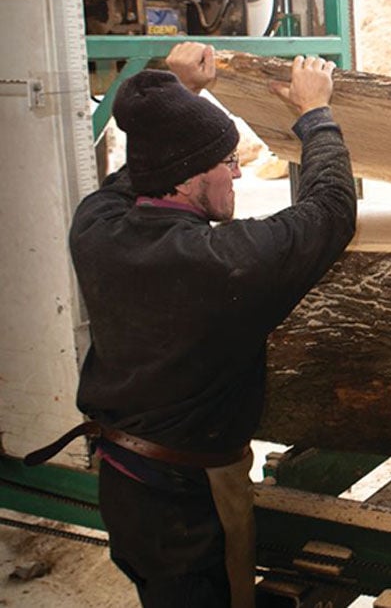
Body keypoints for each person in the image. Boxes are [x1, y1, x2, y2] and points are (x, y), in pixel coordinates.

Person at [26, 42, 357, 607]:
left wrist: (180, 93)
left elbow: (137, 172)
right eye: (226, 163)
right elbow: (330, 211)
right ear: (184, 180)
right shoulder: (221, 262)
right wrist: (315, 116)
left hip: (123, 485)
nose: (235, 173)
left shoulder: (96, 227)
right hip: (191, 501)